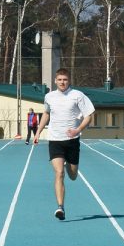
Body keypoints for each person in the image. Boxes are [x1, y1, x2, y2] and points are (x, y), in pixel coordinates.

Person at [32, 68, 95, 220]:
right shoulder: (49, 97)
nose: (62, 82)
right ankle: (60, 207)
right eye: (59, 79)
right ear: (55, 81)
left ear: (69, 81)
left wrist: (77, 129)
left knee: (72, 175)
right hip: (55, 140)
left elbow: (89, 116)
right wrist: (38, 132)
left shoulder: (77, 95)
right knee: (59, 173)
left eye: (65, 79)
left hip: (72, 141)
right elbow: (46, 114)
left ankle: (70, 165)